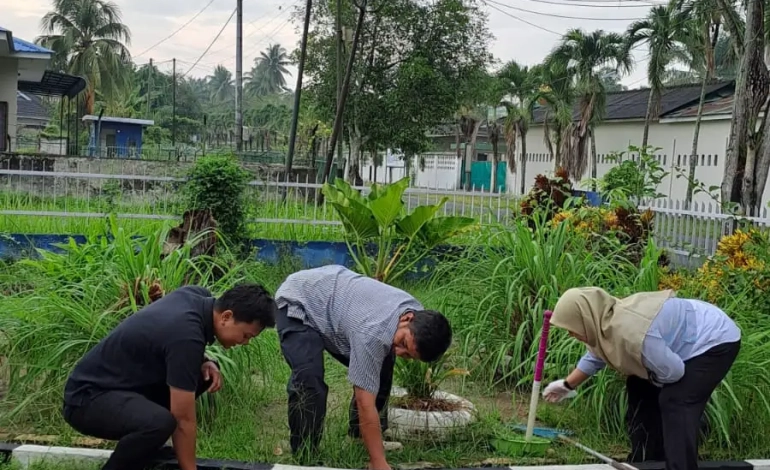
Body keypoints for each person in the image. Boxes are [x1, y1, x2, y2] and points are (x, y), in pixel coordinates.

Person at [62, 283, 276, 470]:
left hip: (121, 387)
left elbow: (169, 338)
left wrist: (204, 360)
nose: (245, 342)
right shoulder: (186, 335)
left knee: (202, 376)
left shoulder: (197, 296)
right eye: (246, 335)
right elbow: (183, 419)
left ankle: (147, 449)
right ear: (226, 316)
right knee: (159, 423)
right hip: (87, 400)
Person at [273, 265, 453, 470]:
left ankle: (359, 437)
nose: (402, 352)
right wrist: (378, 463)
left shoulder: (417, 314)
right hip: (300, 300)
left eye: (409, 356)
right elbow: (364, 402)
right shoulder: (373, 334)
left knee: (384, 362)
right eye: (404, 344)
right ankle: (305, 454)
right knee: (309, 379)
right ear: (407, 318)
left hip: (335, 300)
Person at [543, 287, 741, 470]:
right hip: (681, 342)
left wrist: (653, 383)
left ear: (585, 319)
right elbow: (595, 356)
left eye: (572, 327)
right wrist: (567, 385)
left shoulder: (633, 333)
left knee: (676, 400)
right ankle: (647, 460)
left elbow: (674, 372)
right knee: (638, 385)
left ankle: (681, 463)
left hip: (714, 340)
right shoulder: (602, 322)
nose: (570, 333)